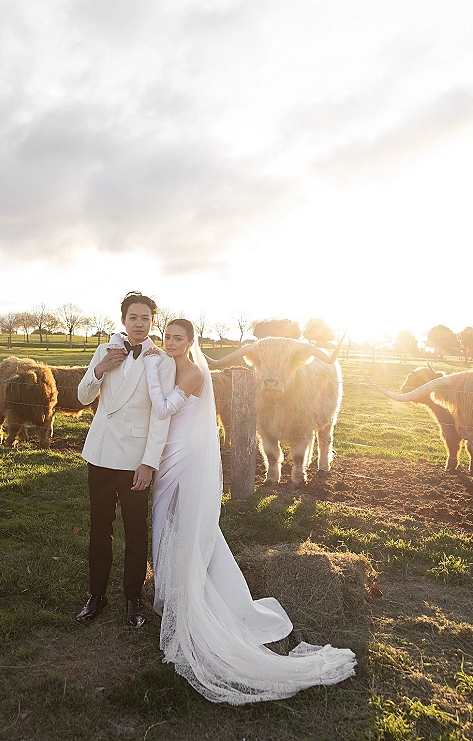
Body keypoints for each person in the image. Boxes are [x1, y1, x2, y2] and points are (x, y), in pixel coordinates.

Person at [143, 318, 356, 704]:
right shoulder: (170, 364)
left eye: (179, 338)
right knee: (164, 518)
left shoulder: (190, 373)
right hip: (168, 452)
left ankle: (186, 592)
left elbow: (161, 408)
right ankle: (172, 584)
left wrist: (148, 371)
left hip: (185, 454)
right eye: (168, 338)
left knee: (186, 520)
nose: (171, 343)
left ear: (191, 342)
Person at [75, 292, 175, 628]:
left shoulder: (162, 361)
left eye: (145, 318)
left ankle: (132, 598)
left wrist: (149, 462)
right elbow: (83, 396)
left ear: (152, 322)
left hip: (135, 459)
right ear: (123, 320)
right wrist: (100, 370)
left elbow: (161, 417)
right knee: (99, 528)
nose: (139, 323)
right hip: (100, 454)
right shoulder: (104, 351)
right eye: (133, 317)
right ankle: (96, 595)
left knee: (135, 531)